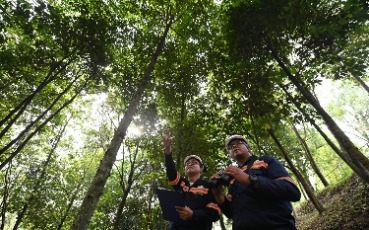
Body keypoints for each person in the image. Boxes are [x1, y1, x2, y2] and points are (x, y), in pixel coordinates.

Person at [210, 134, 301, 230]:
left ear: (248, 148)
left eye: (238, 143)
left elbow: (292, 191)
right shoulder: (232, 179)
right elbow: (231, 213)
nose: (234, 146)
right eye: (230, 147)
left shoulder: (265, 161)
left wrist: (249, 179)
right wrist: (218, 194)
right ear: (230, 155)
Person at [162, 130, 220, 230]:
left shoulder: (208, 186)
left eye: (194, 162)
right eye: (187, 163)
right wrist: (167, 150)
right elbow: (171, 171)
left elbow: (215, 212)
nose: (190, 164)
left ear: (201, 168)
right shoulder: (181, 184)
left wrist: (193, 214)